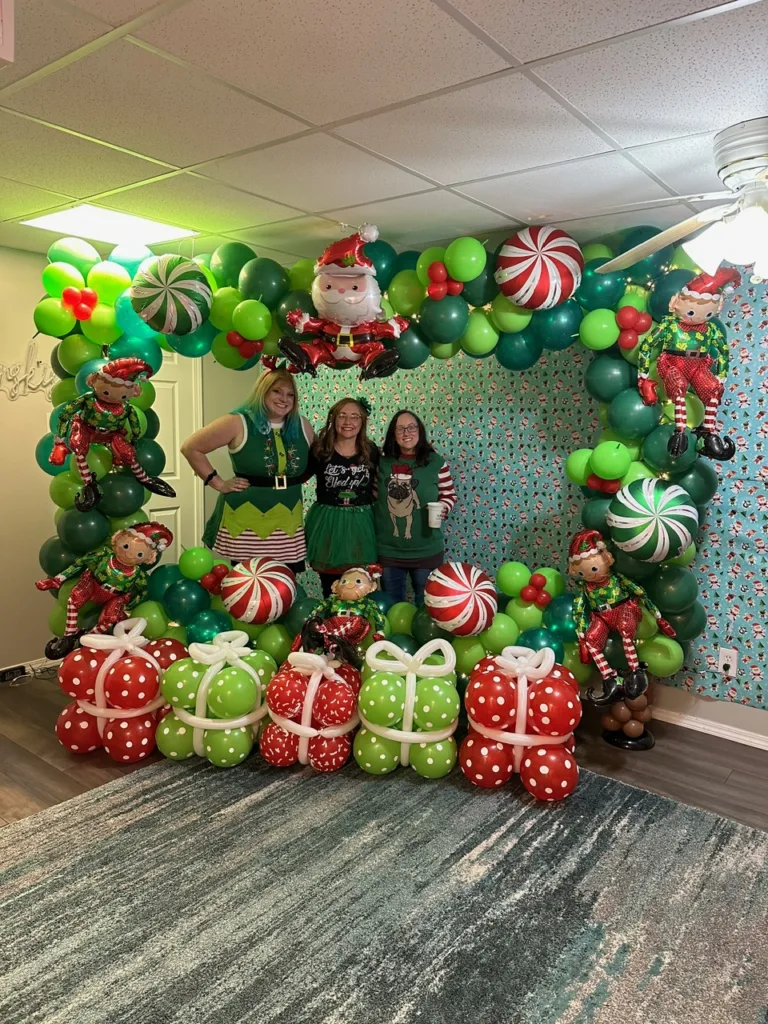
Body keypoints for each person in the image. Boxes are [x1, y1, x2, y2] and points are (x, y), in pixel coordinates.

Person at [181, 367, 313, 573]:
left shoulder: (302, 425)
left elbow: (317, 461)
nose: (284, 399)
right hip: (246, 517)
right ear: (263, 391)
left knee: (285, 581)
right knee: (247, 582)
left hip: (288, 518)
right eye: (276, 391)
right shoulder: (238, 422)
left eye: (290, 394)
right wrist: (217, 482)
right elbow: (191, 448)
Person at [374, 410, 457, 605]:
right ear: (393, 435)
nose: (406, 432)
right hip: (388, 551)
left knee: (427, 604)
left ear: (420, 431)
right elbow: (374, 497)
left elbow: (449, 494)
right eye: (400, 428)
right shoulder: (383, 462)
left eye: (411, 427)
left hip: (427, 550)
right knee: (392, 606)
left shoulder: (435, 462)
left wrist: (443, 507)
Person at [305, 397, 380, 597]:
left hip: (361, 523)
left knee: (360, 583)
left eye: (355, 416)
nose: (348, 422)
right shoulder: (320, 450)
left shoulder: (371, 451)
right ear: (333, 419)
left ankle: (360, 625)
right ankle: (333, 624)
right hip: (328, 523)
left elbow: (385, 478)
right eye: (342, 416)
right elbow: (299, 476)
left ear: (362, 421)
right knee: (332, 586)